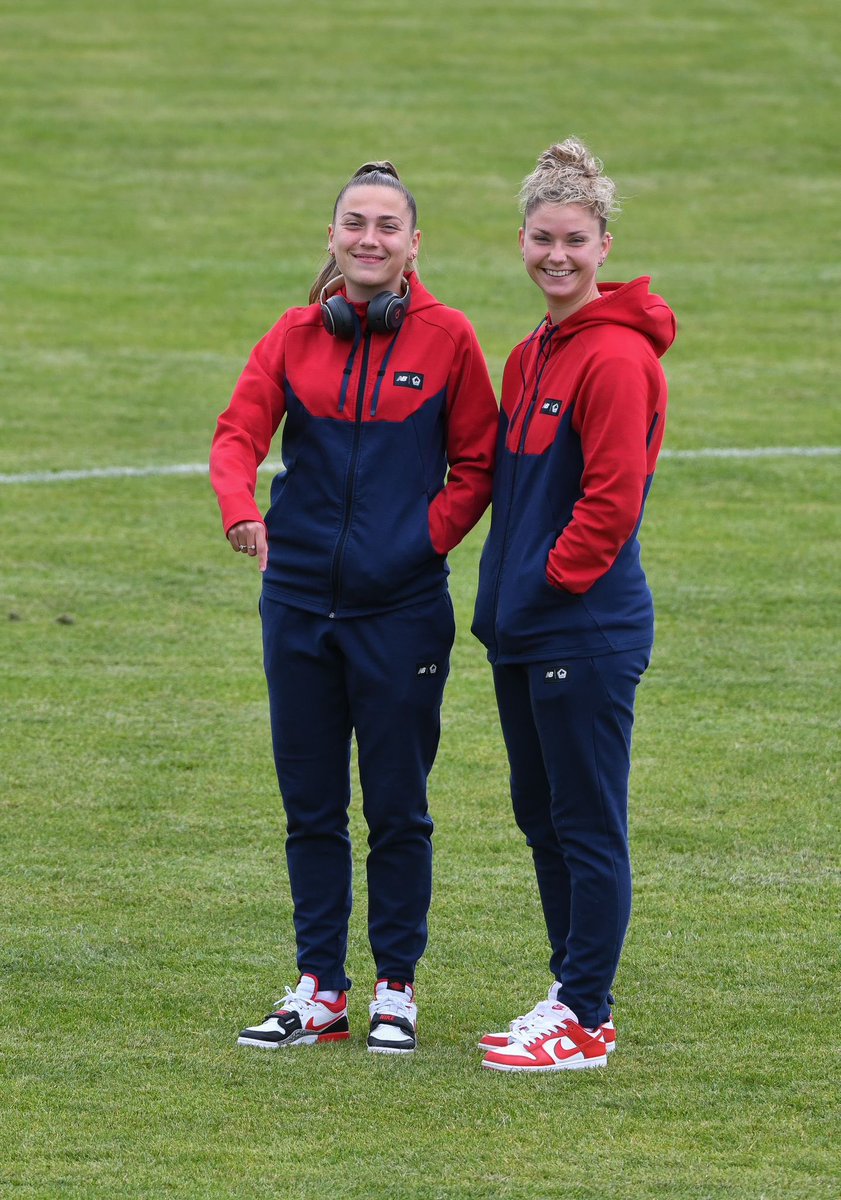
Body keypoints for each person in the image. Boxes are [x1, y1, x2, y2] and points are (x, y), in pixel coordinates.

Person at [210, 161, 498, 1055]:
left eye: (386, 226)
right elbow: (236, 435)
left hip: (401, 612)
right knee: (310, 807)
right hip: (295, 607)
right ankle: (320, 989)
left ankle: (397, 988)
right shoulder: (295, 334)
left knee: (398, 808)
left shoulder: (449, 339)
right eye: (353, 223)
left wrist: (417, 544)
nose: (368, 239)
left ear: (414, 245)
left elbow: (480, 464)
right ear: (332, 237)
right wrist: (242, 509)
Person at [471, 137, 676, 1072]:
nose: (556, 256)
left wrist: (547, 584)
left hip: (580, 628)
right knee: (541, 815)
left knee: (586, 822)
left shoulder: (616, 359)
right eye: (541, 238)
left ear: (603, 245)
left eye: (575, 240)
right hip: (524, 628)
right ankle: (568, 992)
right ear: (521, 240)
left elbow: (611, 499)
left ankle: (585, 1017)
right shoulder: (528, 355)